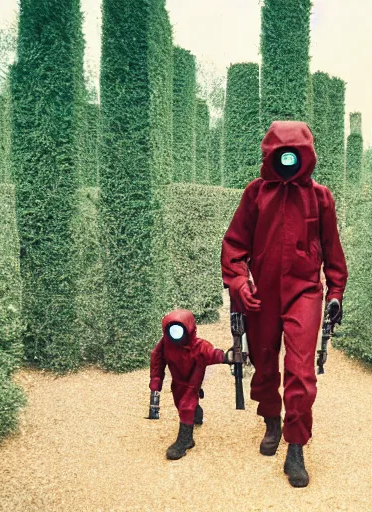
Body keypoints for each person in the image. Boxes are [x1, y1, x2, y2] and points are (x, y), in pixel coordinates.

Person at [221, 120, 347, 488]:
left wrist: (335, 292)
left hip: (305, 292)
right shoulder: (255, 194)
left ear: (306, 157)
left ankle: (295, 444)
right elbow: (234, 246)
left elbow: (333, 251)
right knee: (262, 365)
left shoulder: (321, 197)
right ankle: (271, 419)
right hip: (263, 294)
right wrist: (241, 283)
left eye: (295, 154)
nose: (289, 160)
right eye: (282, 154)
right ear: (272, 155)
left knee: (300, 372)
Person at [147, 309, 228, 460]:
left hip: (193, 378)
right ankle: (196, 412)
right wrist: (155, 383)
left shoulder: (199, 346)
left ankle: (185, 440)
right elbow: (157, 360)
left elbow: (211, 353)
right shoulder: (166, 343)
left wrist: (227, 357)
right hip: (177, 380)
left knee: (186, 405)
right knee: (180, 403)